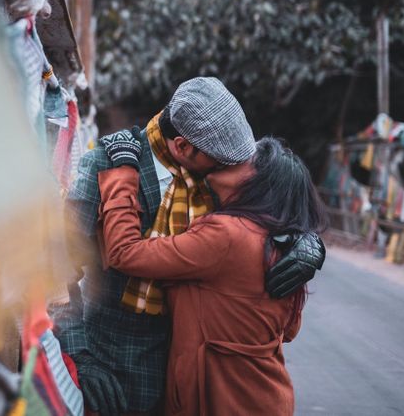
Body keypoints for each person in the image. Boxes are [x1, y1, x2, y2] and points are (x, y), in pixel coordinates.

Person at [52, 78, 325, 415]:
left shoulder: (216, 174)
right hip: (114, 369)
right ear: (183, 147)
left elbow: (264, 209)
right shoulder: (110, 163)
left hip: (195, 379)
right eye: (224, 163)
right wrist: (78, 353)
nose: (237, 169)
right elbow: (56, 266)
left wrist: (303, 239)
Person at [97, 135, 328, 415]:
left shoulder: (228, 235)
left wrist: (122, 171)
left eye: (246, 159)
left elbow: (124, 252)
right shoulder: (283, 245)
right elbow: (288, 331)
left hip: (224, 401)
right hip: (266, 397)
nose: (232, 157)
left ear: (259, 184)